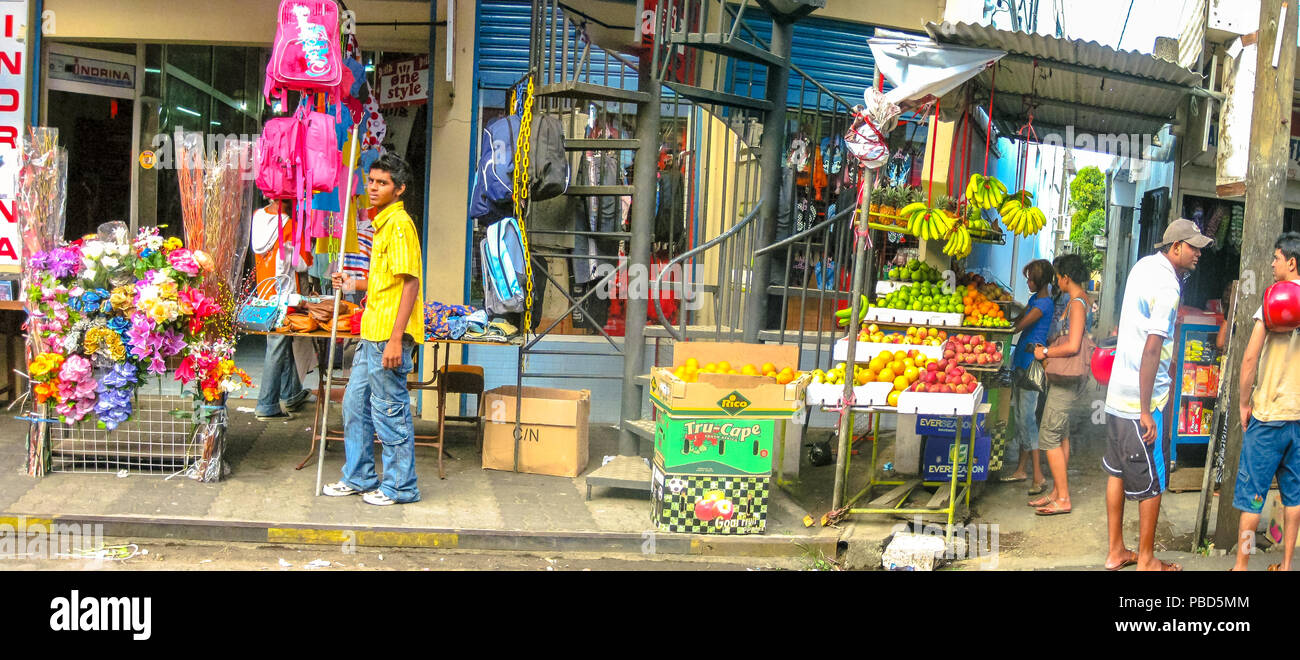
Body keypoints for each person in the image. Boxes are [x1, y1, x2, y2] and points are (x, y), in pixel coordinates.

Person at [1103, 218, 1211, 571]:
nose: (1198, 253)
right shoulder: (1168, 284)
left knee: (1117, 471)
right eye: (1193, 247)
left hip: (1118, 392)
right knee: (1153, 481)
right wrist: (1148, 409)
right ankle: (1147, 559)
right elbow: (1152, 349)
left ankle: (1116, 551)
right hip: (1141, 401)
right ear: (1176, 247)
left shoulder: (1144, 266)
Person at [322, 153, 425, 506]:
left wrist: (397, 339)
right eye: (371, 181)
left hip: (387, 336)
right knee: (355, 405)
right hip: (371, 332)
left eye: (382, 183)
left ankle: (401, 486)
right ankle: (360, 476)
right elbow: (385, 283)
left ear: (400, 189)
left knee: (390, 409)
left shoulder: (399, 225)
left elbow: (409, 284)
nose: (374, 188)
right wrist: (352, 283)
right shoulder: (382, 225)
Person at [1231, 232, 1300, 571]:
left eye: (1276, 258)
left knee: (1252, 498)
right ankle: (1286, 566)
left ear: (1292, 262)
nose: (1272, 264)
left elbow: (1249, 359)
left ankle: (1242, 565)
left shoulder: (1273, 300)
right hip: (1298, 419)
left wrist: (1244, 403)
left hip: (1269, 414)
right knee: (1294, 496)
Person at [1029, 254, 1094, 515]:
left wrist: (1044, 353)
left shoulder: (1077, 304)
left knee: (1049, 435)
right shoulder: (1076, 301)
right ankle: (1057, 491)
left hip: (1067, 379)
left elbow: (1073, 345)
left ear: (1066, 277)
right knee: (1061, 434)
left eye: (1058, 276)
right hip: (1065, 379)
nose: (1056, 280)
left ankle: (1063, 498)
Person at [251, 199, 311, 421]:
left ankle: (291, 392)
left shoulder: (258, 216)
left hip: (264, 292)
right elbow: (303, 263)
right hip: (285, 295)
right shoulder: (290, 225)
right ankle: (266, 404)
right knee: (276, 345)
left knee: (282, 342)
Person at [1002, 259, 1056, 496]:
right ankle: (1021, 469)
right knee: (1021, 416)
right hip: (1022, 364)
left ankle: (1038, 475)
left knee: (1027, 419)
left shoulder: (1043, 304)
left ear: (1040, 281)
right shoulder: (1036, 300)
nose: (1027, 281)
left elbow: (1017, 326)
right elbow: (1016, 321)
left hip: (1032, 366)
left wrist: (1002, 324)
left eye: (1030, 278)